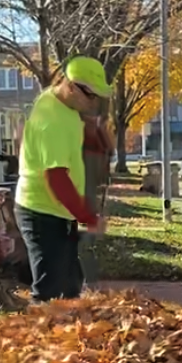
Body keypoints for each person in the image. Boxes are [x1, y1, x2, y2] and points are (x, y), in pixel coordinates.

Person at [15, 56, 110, 301]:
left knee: (71, 285)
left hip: (58, 212)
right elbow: (56, 178)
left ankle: (68, 334)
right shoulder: (51, 122)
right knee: (50, 289)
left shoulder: (58, 102)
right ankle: (40, 335)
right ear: (71, 86)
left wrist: (88, 135)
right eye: (90, 95)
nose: (94, 102)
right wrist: (87, 217)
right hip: (41, 212)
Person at [79, 115, 115, 291]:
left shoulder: (86, 138)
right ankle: (89, 283)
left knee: (83, 241)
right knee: (86, 241)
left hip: (84, 191)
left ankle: (87, 284)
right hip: (90, 192)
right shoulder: (98, 137)